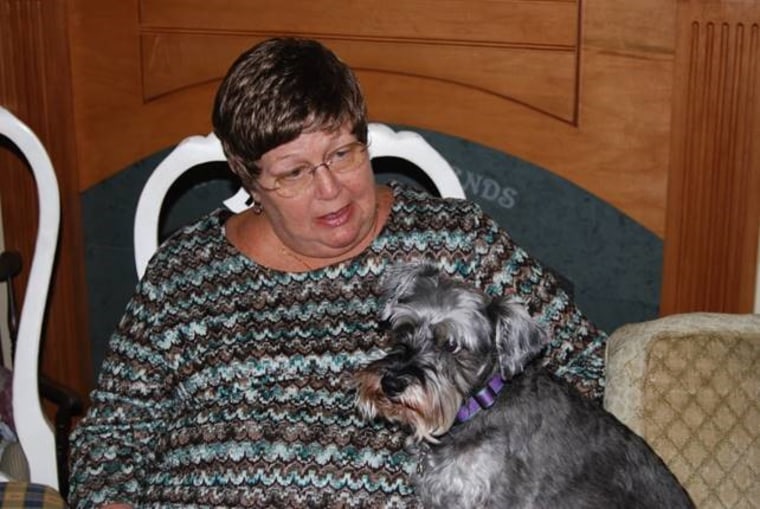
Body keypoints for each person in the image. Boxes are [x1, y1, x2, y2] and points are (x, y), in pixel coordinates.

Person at [68, 37, 607, 508]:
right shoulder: (183, 273)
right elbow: (112, 434)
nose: (331, 190)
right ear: (247, 178)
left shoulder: (458, 241)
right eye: (295, 172)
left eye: (343, 154)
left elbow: (587, 364)